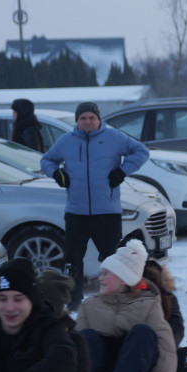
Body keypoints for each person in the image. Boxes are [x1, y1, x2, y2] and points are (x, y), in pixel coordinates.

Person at [41, 101, 150, 309]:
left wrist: (123, 171)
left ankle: (115, 298)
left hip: (107, 212)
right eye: (83, 118)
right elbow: (47, 160)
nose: (88, 121)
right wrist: (56, 173)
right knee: (72, 260)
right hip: (76, 212)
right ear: (77, 120)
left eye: (92, 117)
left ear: (99, 119)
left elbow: (141, 151)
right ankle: (73, 303)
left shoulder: (114, 137)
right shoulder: (66, 141)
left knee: (113, 258)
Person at [74, 239, 178, 372]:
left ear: (123, 279)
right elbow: (75, 353)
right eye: (101, 273)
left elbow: (166, 354)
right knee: (85, 337)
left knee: (143, 333)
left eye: (106, 274)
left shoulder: (149, 306)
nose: (100, 279)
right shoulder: (89, 306)